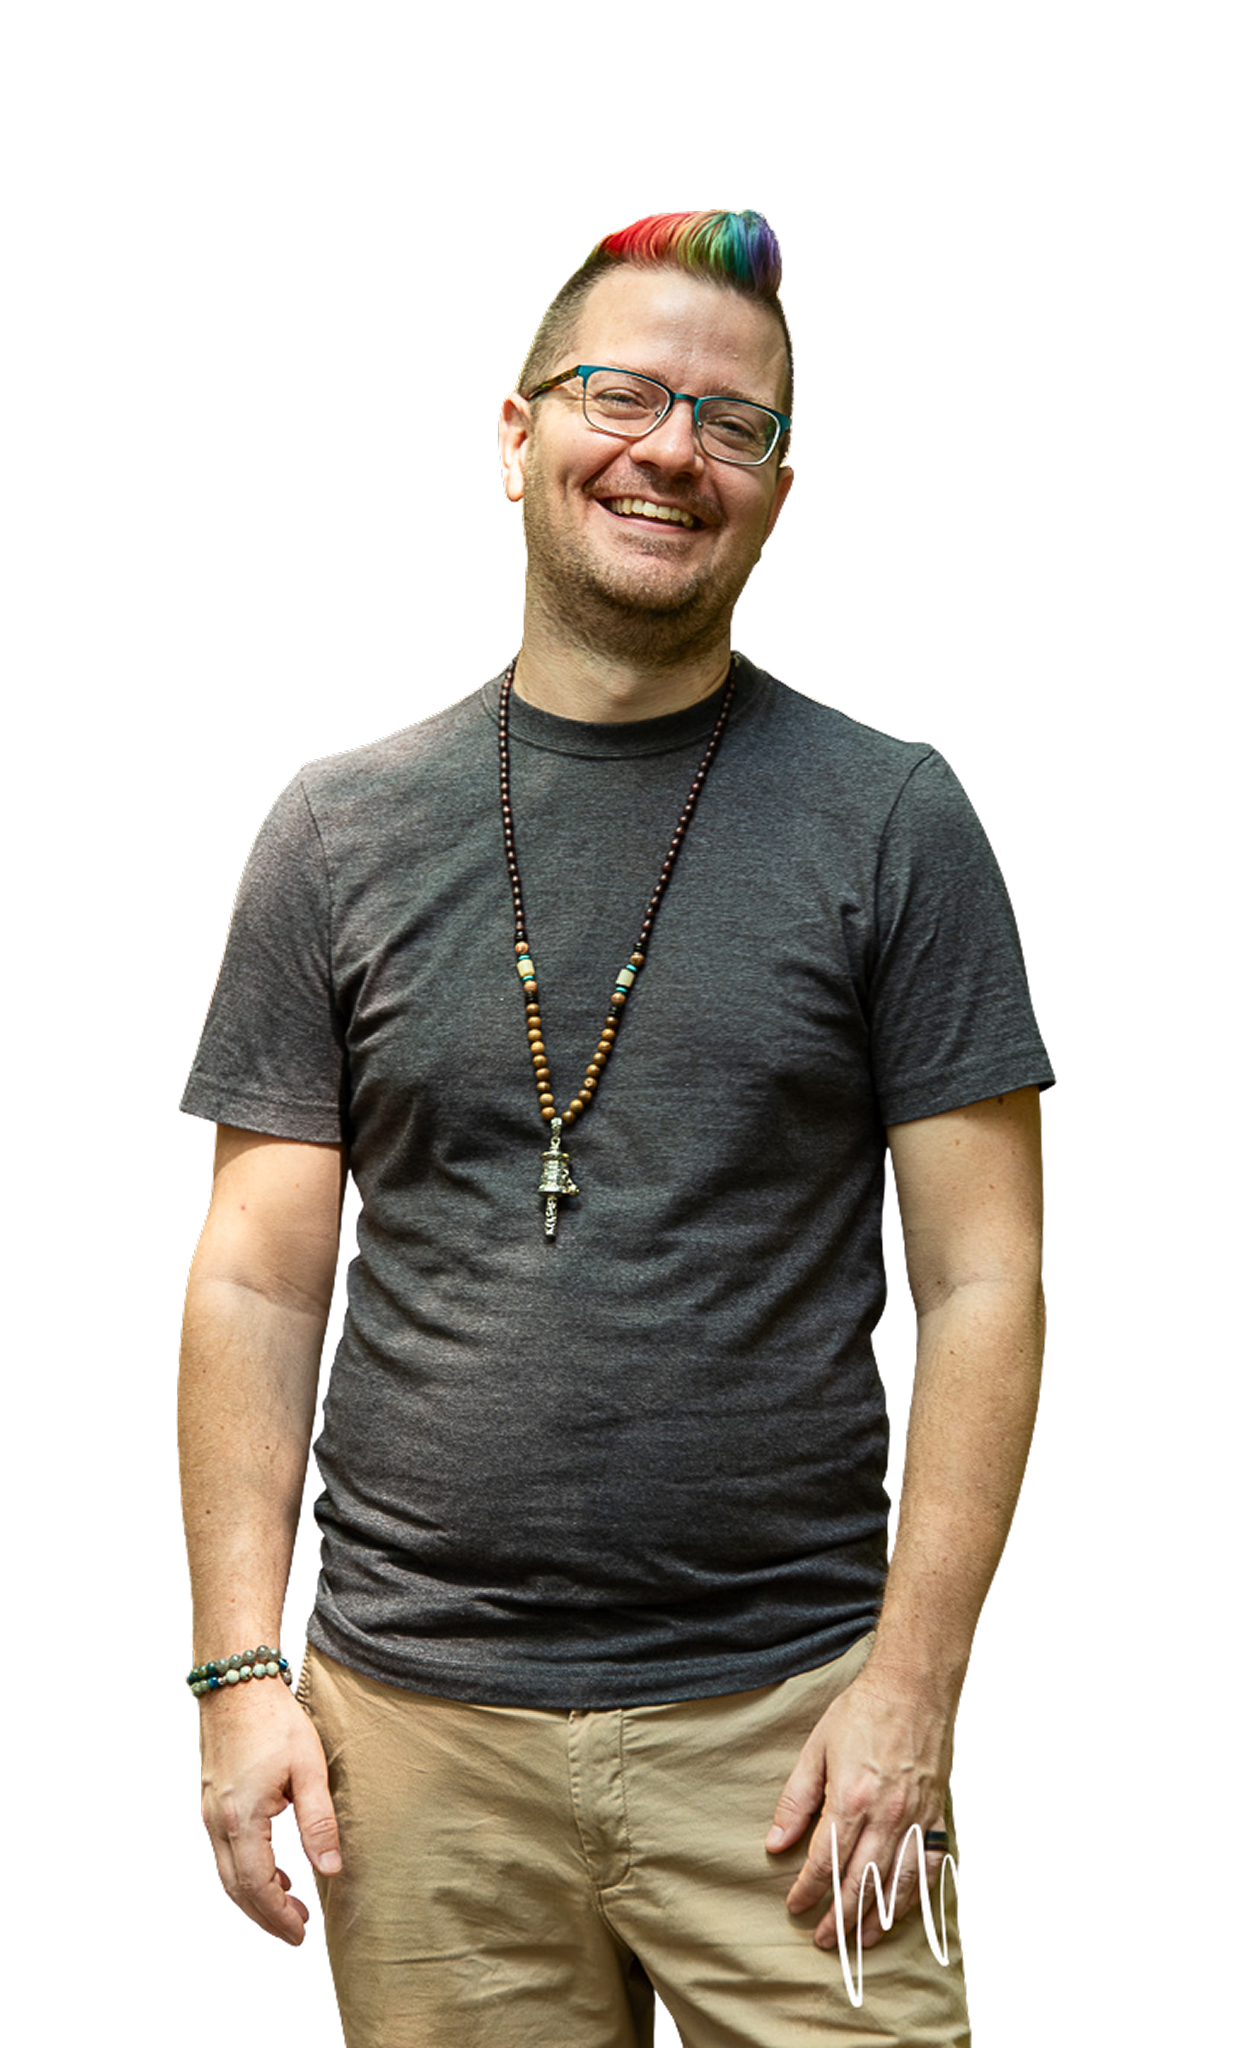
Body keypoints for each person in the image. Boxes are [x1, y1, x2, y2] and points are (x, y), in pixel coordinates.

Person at [177, 208, 1054, 2047]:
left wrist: (913, 1687)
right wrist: (238, 1674)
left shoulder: (899, 820)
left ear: (779, 487)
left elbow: (985, 1280)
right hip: (412, 1734)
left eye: (735, 423)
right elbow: (257, 1282)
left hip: (804, 1726)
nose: (673, 448)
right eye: (624, 393)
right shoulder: (333, 828)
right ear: (514, 440)